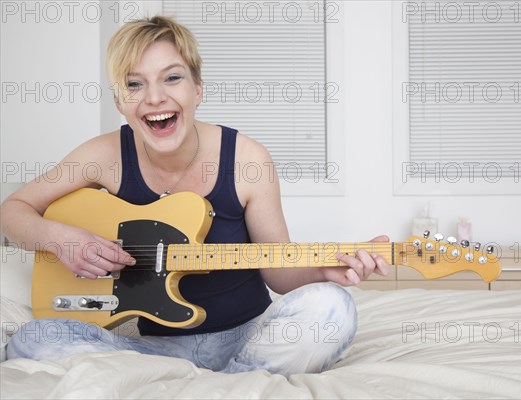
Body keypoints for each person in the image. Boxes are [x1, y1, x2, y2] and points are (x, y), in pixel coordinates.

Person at [0, 16, 390, 376]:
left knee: (332, 307)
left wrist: (325, 270)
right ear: (120, 103)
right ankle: (221, 384)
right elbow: (11, 211)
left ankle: (220, 382)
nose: (154, 97)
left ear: (197, 89)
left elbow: (279, 271)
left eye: (172, 78)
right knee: (34, 339)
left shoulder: (247, 159)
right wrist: (62, 239)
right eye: (135, 84)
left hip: (250, 336)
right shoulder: (102, 156)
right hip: (155, 349)